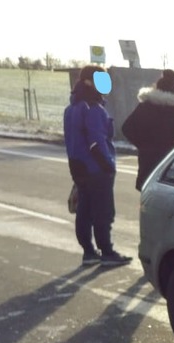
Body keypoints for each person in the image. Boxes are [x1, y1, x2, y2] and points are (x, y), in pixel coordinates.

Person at [64, 65, 131, 268]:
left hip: (78, 167)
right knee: (103, 211)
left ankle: (88, 252)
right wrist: (108, 165)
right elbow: (96, 142)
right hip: (96, 168)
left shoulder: (71, 108)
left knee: (84, 209)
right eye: (101, 80)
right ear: (89, 82)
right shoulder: (93, 109)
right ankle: (107, 251)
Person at [121, 69, 174, 191]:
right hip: (171, 162)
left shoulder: (145, 106)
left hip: (147, 160)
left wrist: (143, 144)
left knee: (147, 197)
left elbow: (127, 128)